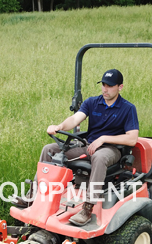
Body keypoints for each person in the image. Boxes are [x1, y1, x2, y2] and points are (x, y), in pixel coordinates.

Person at [13, 69, 139, 226]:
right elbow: (74, 119)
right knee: (49, 149)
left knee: (99, 158)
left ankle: (87, 208)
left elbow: (132, 138)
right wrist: (59, 126)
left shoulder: (128, 108)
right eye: (104, 85)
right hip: (87, 146)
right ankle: (34, 195)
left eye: (110, 86)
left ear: (120, 87)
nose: (105, 89)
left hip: (111, 149)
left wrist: (103, 138)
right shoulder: (92, 102)